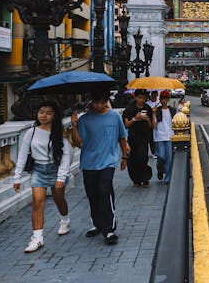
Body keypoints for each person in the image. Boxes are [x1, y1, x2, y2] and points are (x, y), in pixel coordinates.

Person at [13, 102, 74, 253]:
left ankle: (65, 219)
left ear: (54, 116)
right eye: (41, 112)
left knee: (58, 199)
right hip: (38, 170)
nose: (44, 115)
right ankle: (37, 238)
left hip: (55, 170)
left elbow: (66, 156)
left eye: (48, 113)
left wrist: (61, 177)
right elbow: (22, 154)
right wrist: (17, 177)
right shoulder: (31, 132)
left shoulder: (59, 133)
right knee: (37, 203)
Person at [69, 93, 129, 245]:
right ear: (91, 102)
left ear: (106, 101)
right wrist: (74, 126)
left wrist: (124, 157)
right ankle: (96, 223)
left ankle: (109, 229)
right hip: (89, 162)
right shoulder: (84, 119)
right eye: (96, 102)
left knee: (104, 191)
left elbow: (122, 137)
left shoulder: (114, 117)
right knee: (92, 194)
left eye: (102, 102)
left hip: (108, 161)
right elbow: (77, 143)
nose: (99, 105)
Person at [122, 89, 157, 187]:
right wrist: (135, 118)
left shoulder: (148, 108)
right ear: (135, 97)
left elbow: (151, 126)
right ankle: (136, 180)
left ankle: (145, 179)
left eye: (144, 98)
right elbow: (126, 124)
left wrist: (148, 119)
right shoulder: (130, 109)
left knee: (143, 157)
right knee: (133, 159)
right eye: (140, 97)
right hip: (133, 137)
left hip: (144, 137)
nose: (142, 100)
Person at [152, 90, 177, 183]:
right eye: (162, 98)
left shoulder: (172, 110)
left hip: (170, 137)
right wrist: (153, 113)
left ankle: (167, 177)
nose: (164, 101)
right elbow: (153, 126)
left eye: (166, 98)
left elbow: (176, 123)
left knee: (169, 158)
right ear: (160, 99)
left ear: (168, 99)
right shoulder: (157, 110)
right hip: (159, 137)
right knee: (161, 156)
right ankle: (160, 168)